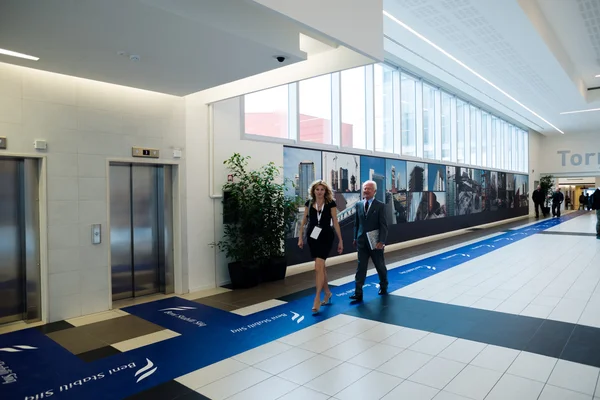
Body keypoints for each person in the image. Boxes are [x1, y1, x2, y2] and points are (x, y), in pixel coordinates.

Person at [298, 180, 343, 313]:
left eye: (322, 189)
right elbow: (304, 221)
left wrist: (340, 240)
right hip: (312, 236)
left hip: (326, 237)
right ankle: (327, 292)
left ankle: (317, 297)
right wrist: (300, 237)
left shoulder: (330, 203)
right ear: (313, 191)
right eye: (317, 189)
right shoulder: (309, 203)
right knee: (321, 267)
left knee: (318, 267)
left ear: (325, 191)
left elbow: (335, 222)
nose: (319, 192)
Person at [350, 180, 388, 302]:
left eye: (369, 189)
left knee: (380, 266)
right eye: (364, 188)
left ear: (375, 191)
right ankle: (358, 293)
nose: (366, 191)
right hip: (361, 242)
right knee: (361, 268)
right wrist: (355, 237)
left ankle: (383, 286)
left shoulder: (380, 205)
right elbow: (357, 224)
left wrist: (381, 241)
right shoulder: (359, 205)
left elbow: (383, 226)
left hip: (375, 243)